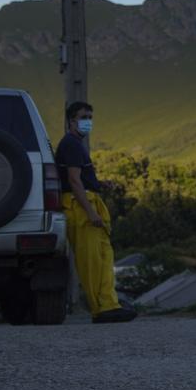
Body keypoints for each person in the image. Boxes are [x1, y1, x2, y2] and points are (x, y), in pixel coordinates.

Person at [55, 101, 135, 324]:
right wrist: (90, 212)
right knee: (92, 260)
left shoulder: (76, 144)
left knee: (103, 256)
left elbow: (82, 179)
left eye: (90, 117)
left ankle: (110, 303)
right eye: (84, 117)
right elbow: (73, 180)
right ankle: (101, 309)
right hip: (80, 207)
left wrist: (99, 185)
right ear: (72, 120)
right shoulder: (71, 144)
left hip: (87, 201)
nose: (88, 121)